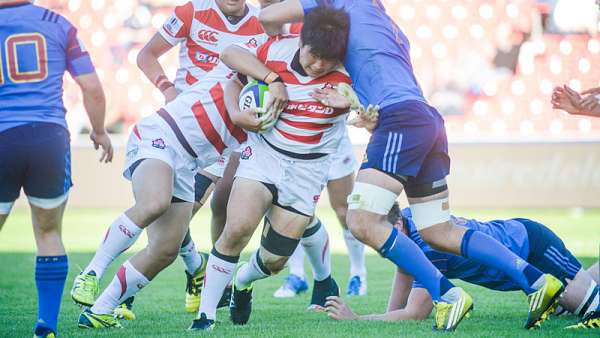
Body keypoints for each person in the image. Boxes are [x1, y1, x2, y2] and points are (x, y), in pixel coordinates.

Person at [257, 0, 563, 330]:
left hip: (400, 119)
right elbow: (378, 70)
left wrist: (278, 66)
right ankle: (535, 281)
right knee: (437, 231)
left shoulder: (339, 4)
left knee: (360, 220)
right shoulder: (391, 26)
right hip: (425, 117)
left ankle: (447, 295)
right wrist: (357, 104)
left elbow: (266, 16)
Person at [71, 0, 268, 316]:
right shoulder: (194, 14)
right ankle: (93, 275)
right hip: (174, 127)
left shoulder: (262, 26)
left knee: (166, 244)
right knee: (156, 205)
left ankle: (104, 308)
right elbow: (150, 55)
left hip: (206, 147)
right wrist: (166, 88)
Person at [189, 6, 366, 331]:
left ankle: (243, 282)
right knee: (237, 228)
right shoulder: (273, 50)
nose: (318, 65)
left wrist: (354, 104)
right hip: (263, 157)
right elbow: (232, 69)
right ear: (302, 42)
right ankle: (205, 316)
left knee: (274, 261)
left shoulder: (350, 73)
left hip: (307, 172)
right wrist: (239, 112)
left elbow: (370, 115)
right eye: (314, 56)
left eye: (327, 60)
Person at [0, 1, 113, 337]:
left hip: (2, 136)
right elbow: (91, 86)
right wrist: (100, 130)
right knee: (49, 233)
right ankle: (45, 325)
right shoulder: (58, 24)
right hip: (48, 138)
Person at [325, 203, 600, 330]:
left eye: (374, 235)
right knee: (570, 302)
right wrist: (383, 318)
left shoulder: (427, 248)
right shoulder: (408, 223)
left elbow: (413, 313)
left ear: (396, 226)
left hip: (531, 245)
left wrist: (357, 320)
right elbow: (397, 307)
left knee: (587, 305)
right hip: (518, 250)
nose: (375, 244)